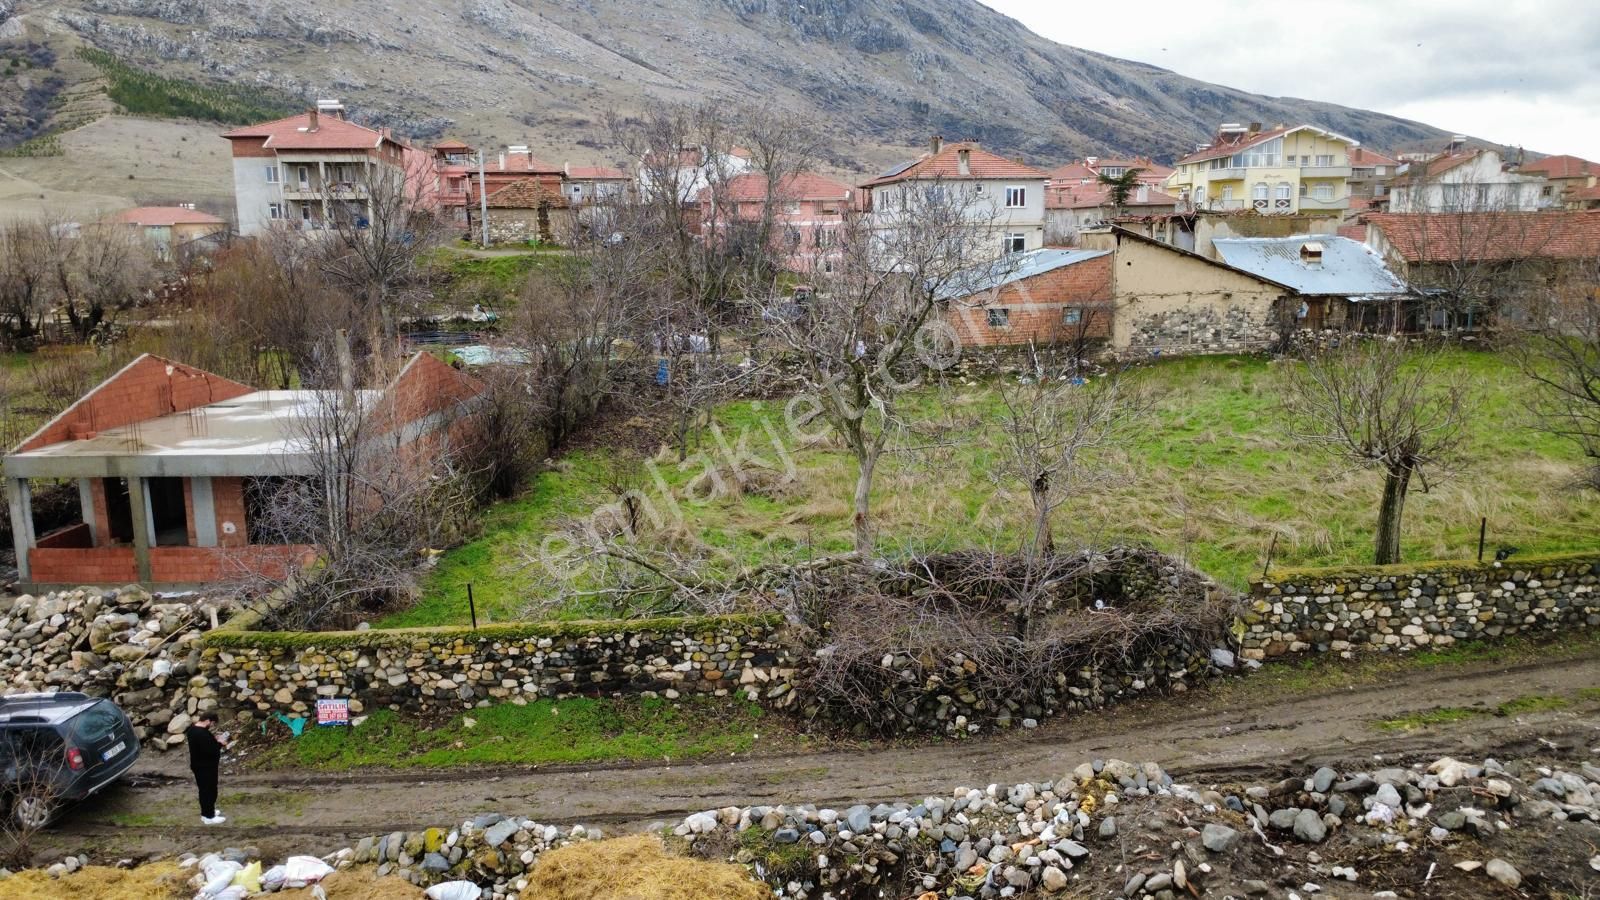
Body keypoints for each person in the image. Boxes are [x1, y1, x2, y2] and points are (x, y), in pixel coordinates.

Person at [185, 711, 230, 825]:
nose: (212, 725)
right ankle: (208, 816)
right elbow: (211, 750)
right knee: (208, 790)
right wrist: (220, 743)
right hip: (205, 766)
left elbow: (205, 745)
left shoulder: (193, 730)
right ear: (208, 721)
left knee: (206, 790)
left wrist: (214, 740)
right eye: (212, 723)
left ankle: (208, 811)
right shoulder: (202, 734)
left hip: (199, 765)